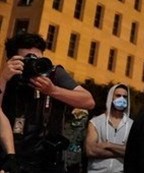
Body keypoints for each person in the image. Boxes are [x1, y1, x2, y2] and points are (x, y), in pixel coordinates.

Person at [0, 31, 95, 173]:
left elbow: (88, 101)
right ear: (12, 59)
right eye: (28, 60)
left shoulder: (52, 74)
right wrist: (3, 79)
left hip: (47, 159)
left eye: (37, 59)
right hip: (10, 156)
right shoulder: (7, 76)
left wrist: (52, 90)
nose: (34, 65)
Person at [85, 83, 132, 173]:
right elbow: (90, 151)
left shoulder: (132, 125)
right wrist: (122, 151)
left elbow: (134, 152)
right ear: (111, 97)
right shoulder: (95, 122)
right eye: (118, 95)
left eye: (125, 97)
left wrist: (108, 145)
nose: (122, 99)